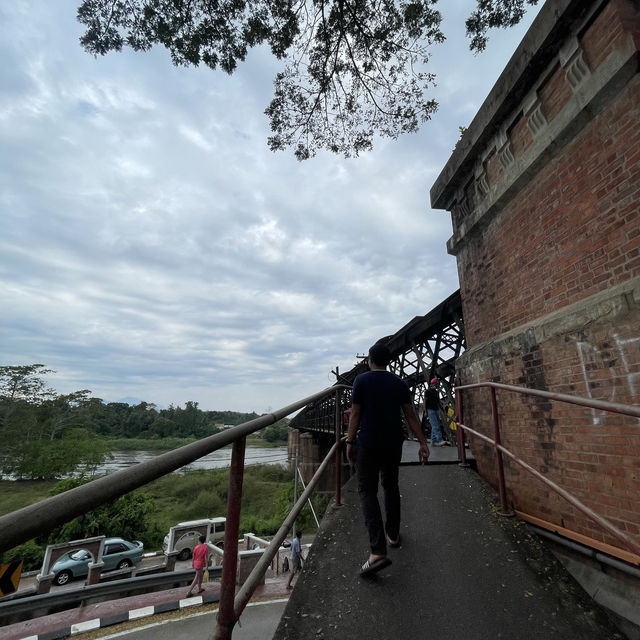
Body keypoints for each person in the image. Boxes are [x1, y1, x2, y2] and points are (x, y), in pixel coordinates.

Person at [346, 342, 430, 577]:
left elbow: (356, 414)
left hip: (369, 442)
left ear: (370, 360)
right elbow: (411, 415)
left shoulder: (361, 381)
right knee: (391, 486)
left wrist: (350, 443)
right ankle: (393, 535)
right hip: (394, 442)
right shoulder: (399, 383)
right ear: (388, 361)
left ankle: (377, 551)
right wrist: (423, 443)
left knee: (367, 491)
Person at [425, 377, 448, 446]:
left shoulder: (436, 392)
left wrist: (443, 410)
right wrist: (426, 411)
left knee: (434, 425)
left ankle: (433, 441)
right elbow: (425, 401)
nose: (438, 385)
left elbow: (438, 402)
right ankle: (439, 440)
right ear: (433, 383)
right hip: (430, 410)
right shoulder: (427, 391)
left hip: (436, 410)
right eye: (437, 383)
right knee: (436, 425)